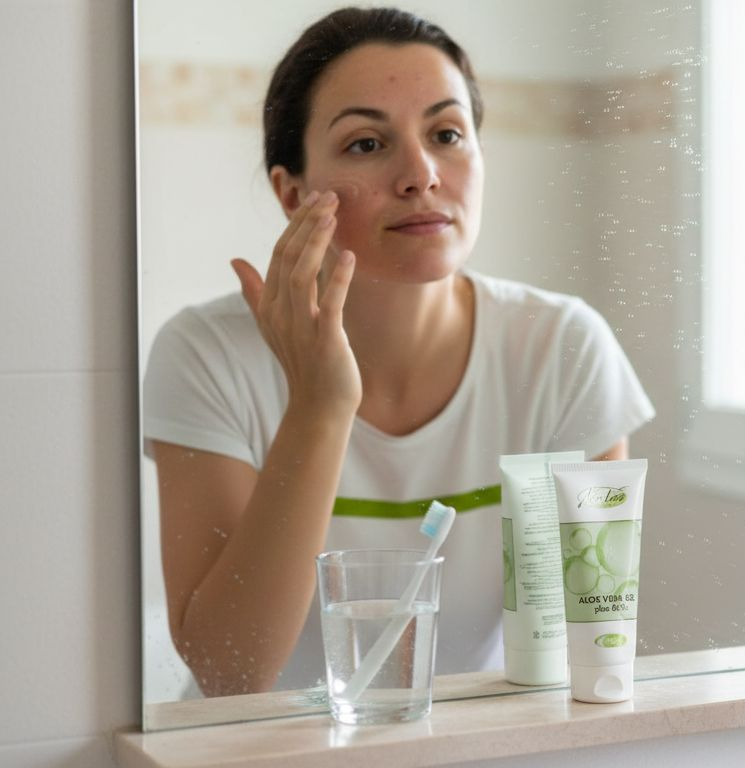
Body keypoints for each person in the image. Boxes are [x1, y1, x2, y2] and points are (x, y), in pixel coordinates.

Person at [143, 7, 654, 697]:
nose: (420, 174)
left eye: (447, 134)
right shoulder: (207, 355)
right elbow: (230, 673)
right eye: (365, 144)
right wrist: (322, 406)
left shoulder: (560, 347)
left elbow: (592, 657)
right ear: (292, 193)